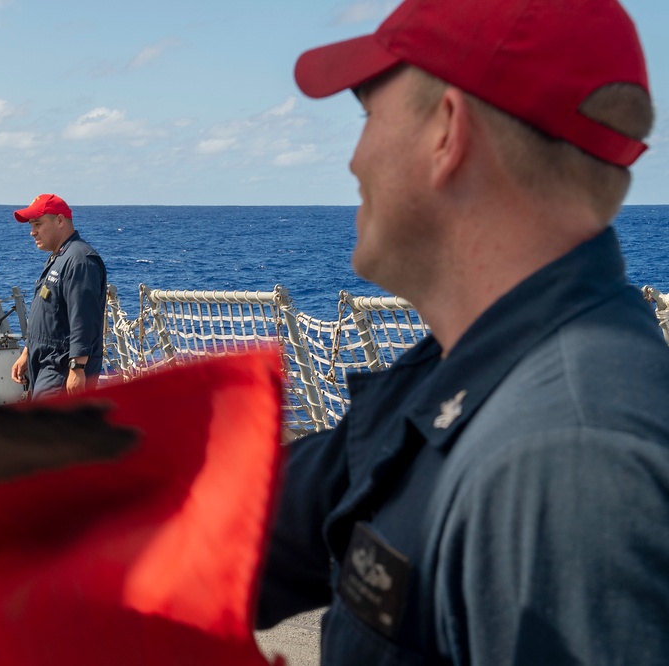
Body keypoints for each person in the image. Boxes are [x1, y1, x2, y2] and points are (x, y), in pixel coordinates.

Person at [254, 0, 669, 664]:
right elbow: (246, 519)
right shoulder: (468, 376)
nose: (354, 162)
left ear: (448, 131)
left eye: (366, 115)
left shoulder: (566, 466)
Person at [9, 194, 107, 399]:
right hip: (46, 362)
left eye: (37, 224)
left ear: (60, 221)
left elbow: (83, 318)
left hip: (61, 366)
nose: (32, 232)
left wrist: (77, 367)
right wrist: (28, 352)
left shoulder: (80, 260)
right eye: (31, 225)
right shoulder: (60, 257)